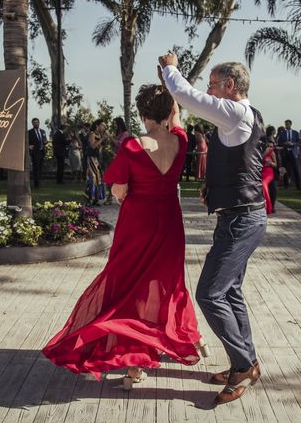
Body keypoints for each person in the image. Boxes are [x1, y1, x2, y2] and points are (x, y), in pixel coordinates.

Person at [42, 84, 205, 390]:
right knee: (165, 284)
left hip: (137, 224)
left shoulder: (132, 146)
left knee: (128, 289)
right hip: (169, 223)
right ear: (168, 112)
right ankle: (185, 339)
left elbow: (118, 190)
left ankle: (134, 361)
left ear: (143, 115)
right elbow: (178, 119)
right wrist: (171, 82)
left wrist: (125, 193)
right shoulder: (180, 142)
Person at [160, 55, 266, 405]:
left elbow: (187, 96)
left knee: (209, 293)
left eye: (214, 83)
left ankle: (242, 365)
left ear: (230, 87)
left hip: (243, 219)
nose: (209, 89)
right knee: (230, 291)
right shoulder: (237, 119)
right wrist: (214, 187)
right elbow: (237, 165)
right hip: (236, 216)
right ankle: (247, 362)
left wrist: (170, 68)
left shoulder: (235, 113)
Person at [84, 120, 109, 206]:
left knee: (99, 179)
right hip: (91, 158)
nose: (104, 127)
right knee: (92, 178)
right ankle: (89, 199)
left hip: (98, 159)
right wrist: (102, 139)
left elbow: (100, 147)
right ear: (97, 126)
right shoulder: (92, 134)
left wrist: (105, 139)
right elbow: (93, 146)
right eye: (102, 125)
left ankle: (96, 199)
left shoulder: (100, 135)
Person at [276, 119, 300, 190]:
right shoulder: (282, 133)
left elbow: (299, 142)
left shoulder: (295, 133)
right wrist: (284, 143)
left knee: (296, 169)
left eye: (288, 124)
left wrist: (293, 144)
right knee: (285, 169)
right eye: (286, 124)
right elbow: (279, 143)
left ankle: (298, 185)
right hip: (285, 152)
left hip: (293, 152)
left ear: (290, 124)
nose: (286, 126)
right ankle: (286, 185)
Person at [28, 118, 47, 189]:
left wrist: (45, 142)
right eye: (34, 123)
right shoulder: (30, 132)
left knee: (41, 167)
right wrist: (29, 146)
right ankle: (36, 183)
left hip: (42, 151)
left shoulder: (42, 131)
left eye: (37, 122)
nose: (36, 124)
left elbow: (44, 140)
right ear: (32, 124)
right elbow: (27, 142)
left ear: (39, 123)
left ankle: (39, 181)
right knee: (36, 168)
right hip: (35, 152)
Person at [261, 141, 277, 214]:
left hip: (269, 172)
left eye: (271, 146)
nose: (270, 148)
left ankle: (269, 206)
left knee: (264, 184)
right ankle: (264, 205)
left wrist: (271, 163)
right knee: (262, 185)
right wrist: (264, 153)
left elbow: (275, 164)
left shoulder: (272, 153)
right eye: (268, 146)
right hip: (261, 171)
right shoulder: (261, 152)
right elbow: (258, 160)